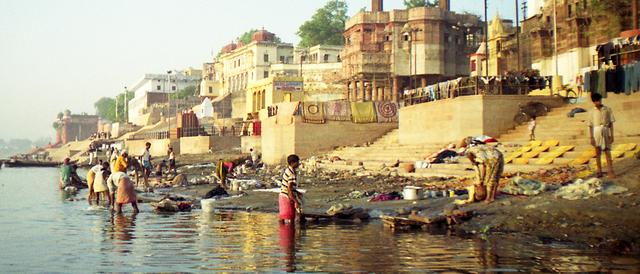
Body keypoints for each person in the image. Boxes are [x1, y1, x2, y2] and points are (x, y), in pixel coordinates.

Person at [588, 93, 616, 178]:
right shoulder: (591, 111)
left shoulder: (607, 109)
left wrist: (612, 135)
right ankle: (599, 171)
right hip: (596, 132)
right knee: (597, 152)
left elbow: (611, 123)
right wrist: (591, 137)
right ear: (593, 102)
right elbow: (590, 125)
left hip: (605, 130)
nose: (597, 102)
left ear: (601, 100)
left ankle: (610, 171)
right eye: (595, 101)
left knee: (607, 151)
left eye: (598, 100)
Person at [279, 154, 303, 223]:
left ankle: (283, 232)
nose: (298, 164)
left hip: (282, 196)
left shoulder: (287, 170)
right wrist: (296, 201)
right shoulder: (291, 174)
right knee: (290, 217)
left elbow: (289, 187)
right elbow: (289, 189)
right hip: (287, 197)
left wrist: (297, 192)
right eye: (297, 162)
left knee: (282, 218)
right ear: (293, 163)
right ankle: (290, 232)